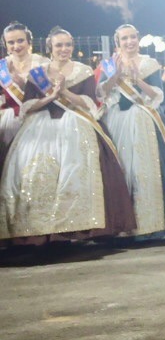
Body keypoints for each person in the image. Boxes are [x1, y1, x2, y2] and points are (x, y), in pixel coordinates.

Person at [0, 27, 135, 243]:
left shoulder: (83, 70)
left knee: (75, 170)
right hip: (41, 127)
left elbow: (91, 103)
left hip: (75, 124)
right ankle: (40, 230)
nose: (64, 49)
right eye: (59, 45)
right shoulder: (39, 73)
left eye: (68, 45)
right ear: (50, 48)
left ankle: (75, 229)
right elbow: (28, 106)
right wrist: (50, 97)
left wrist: (64, 92)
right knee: (36, 172)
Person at [100, 24, 165, 238]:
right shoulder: (109, 64)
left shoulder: (149, 63)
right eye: (124, 38)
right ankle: (121, 225)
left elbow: (156, 95)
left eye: (133, 37)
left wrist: (136, 79)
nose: (129, 42)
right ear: (118, 42)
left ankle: (147, 224)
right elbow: (101, 93)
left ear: (138, 39)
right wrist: (114, 76)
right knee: (120, 169)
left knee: (143, 170)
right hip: (116, 120)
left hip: (142, 119)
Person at [2, 22, 47, 153]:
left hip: (39, 117)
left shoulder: (42, 63)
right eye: (11, 42)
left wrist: (19, 80)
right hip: (10, 121)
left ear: (29, 42)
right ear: (5, 45)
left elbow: (49, 94)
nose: (16, 46)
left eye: (20, 40)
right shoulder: (2, 67)